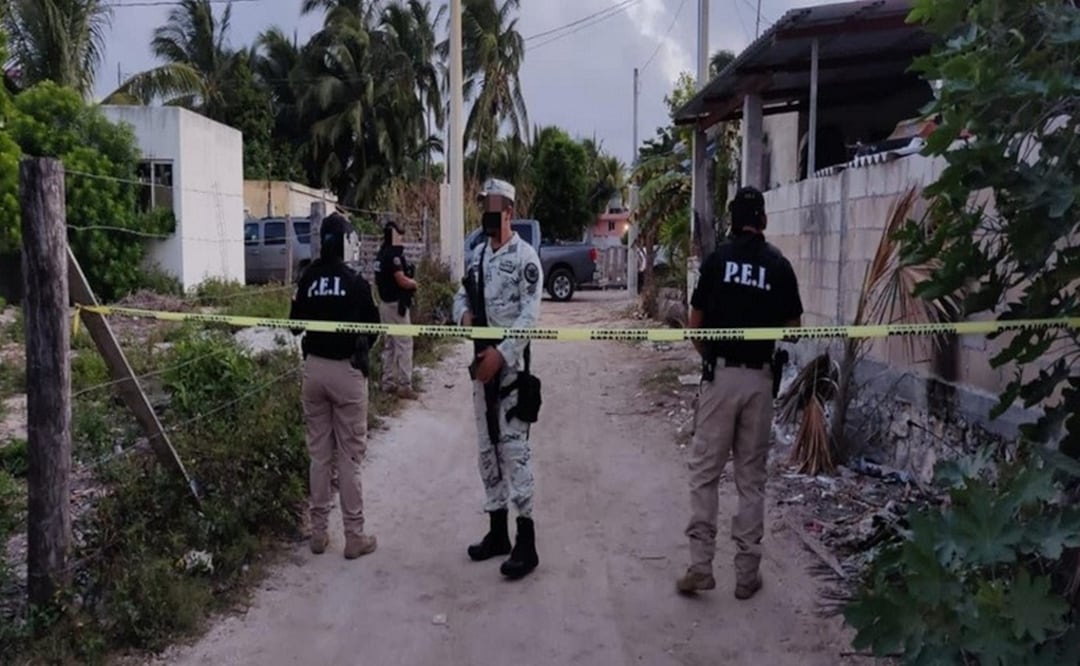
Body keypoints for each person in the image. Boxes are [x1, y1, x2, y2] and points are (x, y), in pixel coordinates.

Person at [677, 186, 803, 599]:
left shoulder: (716, 262)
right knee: (751, 479)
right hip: (761, 382)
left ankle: (700, 566)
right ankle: (747, 574)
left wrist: (711, 357)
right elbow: (794, 330)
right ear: (763, 220)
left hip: (722, 376)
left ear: (732, 220)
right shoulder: (779, 265)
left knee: (705, 474)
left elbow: (695, 328)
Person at [452, 177, 544, 580]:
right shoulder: (476, 255)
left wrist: (501, 354)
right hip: (480, 369)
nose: (483, 213)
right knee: (486, 451)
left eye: (489, 206)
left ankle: (526, 543)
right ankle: (497, 531)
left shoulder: (525, 258)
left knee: (514, 452)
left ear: (507, 210)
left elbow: (530, 316)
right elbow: (461, 294)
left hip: (510, 371)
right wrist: (464, 316)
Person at [289, 213, 381, 560]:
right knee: (350, 457)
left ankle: (318, 533)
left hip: (313, 371)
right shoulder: (356, 282)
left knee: (319, 455)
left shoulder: (307, 277)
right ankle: (353, 536)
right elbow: (373, 329)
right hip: (346, 373)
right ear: (346, 242)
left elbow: (294, 327)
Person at [374, 219, 419, 400]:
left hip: (385, 304)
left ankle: (388, 382)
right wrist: (414, 283)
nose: (402, 237)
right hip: (395, 305)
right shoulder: (393, 256)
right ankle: (404, 385)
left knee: (390, 344)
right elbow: (401, 279)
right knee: (404, 343)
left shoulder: (381, 253)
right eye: (399, 234)